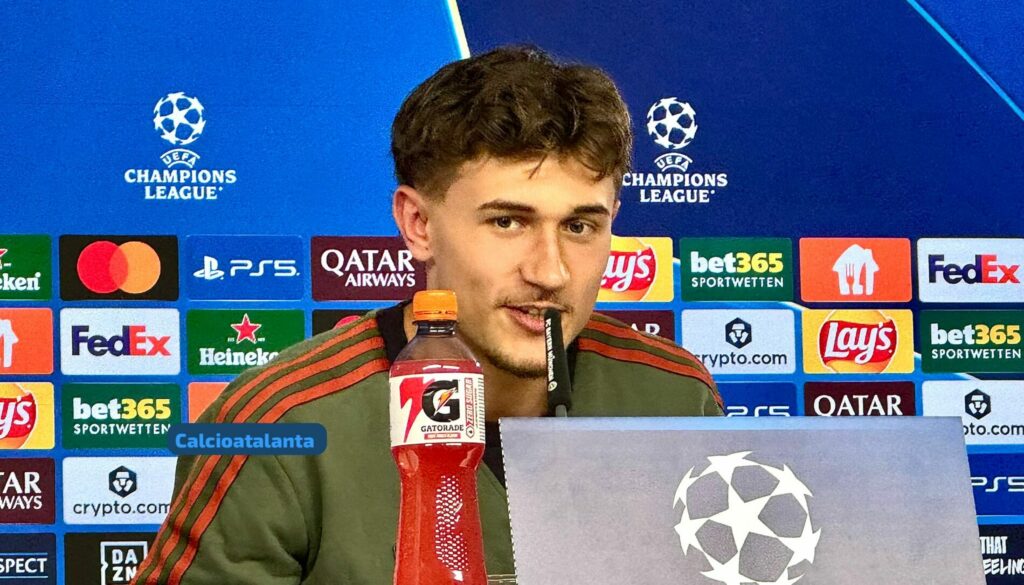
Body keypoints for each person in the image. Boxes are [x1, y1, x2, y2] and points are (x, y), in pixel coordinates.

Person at [134, 45, 722, 585]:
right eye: (507, 222)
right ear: (418, 225)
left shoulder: (675, 397)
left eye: (579, 226)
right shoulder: (278, 423)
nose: (550, 272)